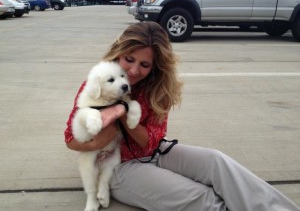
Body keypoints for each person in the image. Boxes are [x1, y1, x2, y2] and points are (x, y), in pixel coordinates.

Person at [64, 21, 300, 211]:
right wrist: (102, 131)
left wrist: (124, 113)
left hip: (156, 152)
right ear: (119, 54)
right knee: (202, 198)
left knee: (218, 163)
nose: (134, 71)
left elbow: (150, 141)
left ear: (155, 67)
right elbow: (71, 140)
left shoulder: (156, 89)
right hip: (118, 168)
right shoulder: (98, 81)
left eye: (144, 65)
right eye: (129, 59)